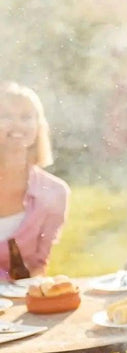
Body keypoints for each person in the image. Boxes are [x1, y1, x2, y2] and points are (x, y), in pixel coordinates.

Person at [0, 82, 70, 281]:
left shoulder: (55, 193)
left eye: (26, 117)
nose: (17, 125)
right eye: (5, 116)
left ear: (38, 127)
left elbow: (38, 265)